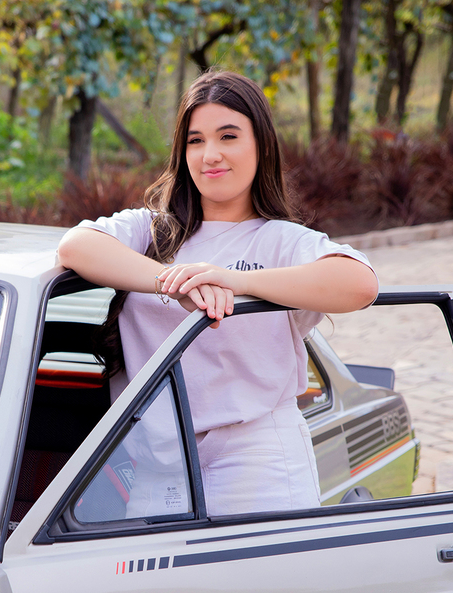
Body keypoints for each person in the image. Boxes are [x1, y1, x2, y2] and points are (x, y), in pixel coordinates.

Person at [56, 70, 378, 517]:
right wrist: (175, 284)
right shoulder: (152, 229)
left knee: (255, 588)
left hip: (257, 459)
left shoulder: (280, 240)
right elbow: (75, 246)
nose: (210, 155)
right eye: (195, 140)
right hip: (158, 466)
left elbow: (360, 284)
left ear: (261, 146)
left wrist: (236, 280)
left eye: (228, 136)